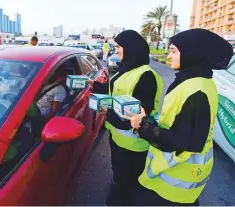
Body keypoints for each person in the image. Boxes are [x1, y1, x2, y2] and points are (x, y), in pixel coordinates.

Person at [121, 29, 233, 206]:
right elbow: (182, 123)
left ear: (192, 54)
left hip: (176, 182)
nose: (168, 56)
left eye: (173, 51)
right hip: (175, 177)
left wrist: (143, 125)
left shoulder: (196, 90)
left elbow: (184, 141)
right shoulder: (198, 80)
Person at [99, 30, 163, 206]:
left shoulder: (145, 75)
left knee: (129, 181)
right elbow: (117, 94)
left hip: (133, 143)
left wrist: (107, 113)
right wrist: (98, 88)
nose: (116, 50)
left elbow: (138, 113)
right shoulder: (127, 68)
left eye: (119, 47)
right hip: (117, 136)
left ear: (131, 48)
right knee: (119, 174)